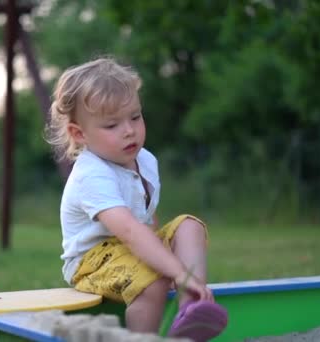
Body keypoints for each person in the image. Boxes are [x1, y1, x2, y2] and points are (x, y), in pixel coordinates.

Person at [45, 57, 227, 341]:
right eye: (112, 125)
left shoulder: (145, 160)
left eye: (135, 117)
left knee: (189, 225)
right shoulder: (91, 175)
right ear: (80, 134)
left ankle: (190, 309)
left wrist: (168, 263)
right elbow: (129, 230)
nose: (129, 130)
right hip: (92, 261)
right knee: (152, 281)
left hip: (131, 247)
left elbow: (146, 218)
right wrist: (175, 270)